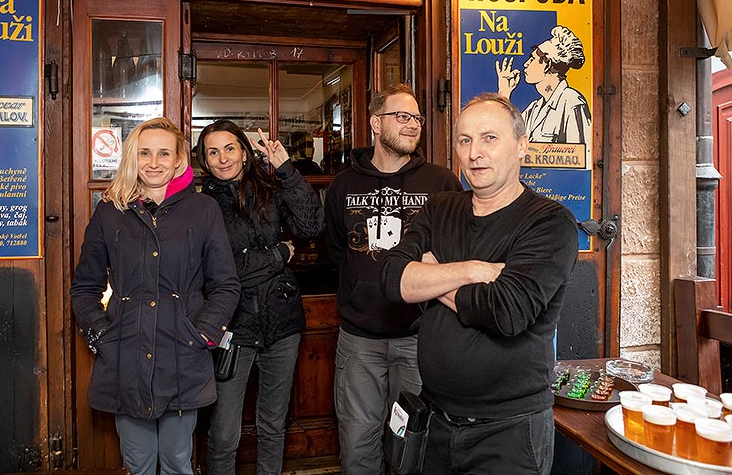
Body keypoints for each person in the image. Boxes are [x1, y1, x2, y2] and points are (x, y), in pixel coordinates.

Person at [381, 94, 579, 474]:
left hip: (509, 430)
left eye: (490, 138)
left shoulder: (550, 222)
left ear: (522, 145)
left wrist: (433, 274)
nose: (474, 153)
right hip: (434, 419)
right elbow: (393, 279)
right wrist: (473, 270)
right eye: (465, 140)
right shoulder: (440, 208)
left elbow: (505, 311)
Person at [71, 117, 240, 475]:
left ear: (179, 160)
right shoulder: (109, 211)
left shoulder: (203, 210)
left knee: (179, 462)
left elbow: (226, 285)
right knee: (139, 462)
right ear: (132, 157)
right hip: (126, 356)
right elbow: (84, 287)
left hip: (183, 353)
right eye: (145, 153)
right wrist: (102, 335)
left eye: (164, 153)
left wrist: (204, 333)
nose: (154, 162)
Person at [324, 83, 462, 475]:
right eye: (401, 116)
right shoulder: (343, 185)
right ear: (375, 123)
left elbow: (454, 252)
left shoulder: (441, 183)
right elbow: (338, 250)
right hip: (359, 339)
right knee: (357, 445)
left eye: (416, 118)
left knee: (416, 444)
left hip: (421, 335)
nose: (412, 124)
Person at [196, 120, 324, 475]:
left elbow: (311, 226)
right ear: (205, 161)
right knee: (223, 434)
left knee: (273, 425)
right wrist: (279, 255)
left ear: (244, 151)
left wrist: (286, 168)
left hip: (282, 323)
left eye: (229, 148)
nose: (223, 159)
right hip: (232, 329)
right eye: (213, 152)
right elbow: (224, 270)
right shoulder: (202, 205)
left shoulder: (270, 187)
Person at [495, 24, 591, 147]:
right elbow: (505, 142)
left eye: (532, 59)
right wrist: (504, 93)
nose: (525, 64)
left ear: (547, 64)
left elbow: (581, 158)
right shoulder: (533, 109)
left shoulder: (572, 103)